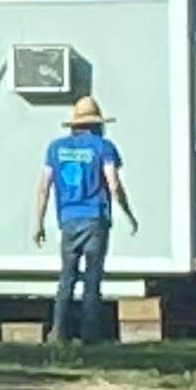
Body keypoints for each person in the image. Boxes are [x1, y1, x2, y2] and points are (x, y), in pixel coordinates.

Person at [31, 94, 136, 345]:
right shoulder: (103, 147)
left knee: (66, 277)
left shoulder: (55, 148)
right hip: (95, 219)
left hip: (68, 219)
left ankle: (58, 332)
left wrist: (38, 222)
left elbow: (44, 186)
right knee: (92, 278)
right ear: (97, 124)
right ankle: (90, 335)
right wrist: (128, 213)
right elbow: (113, 184)